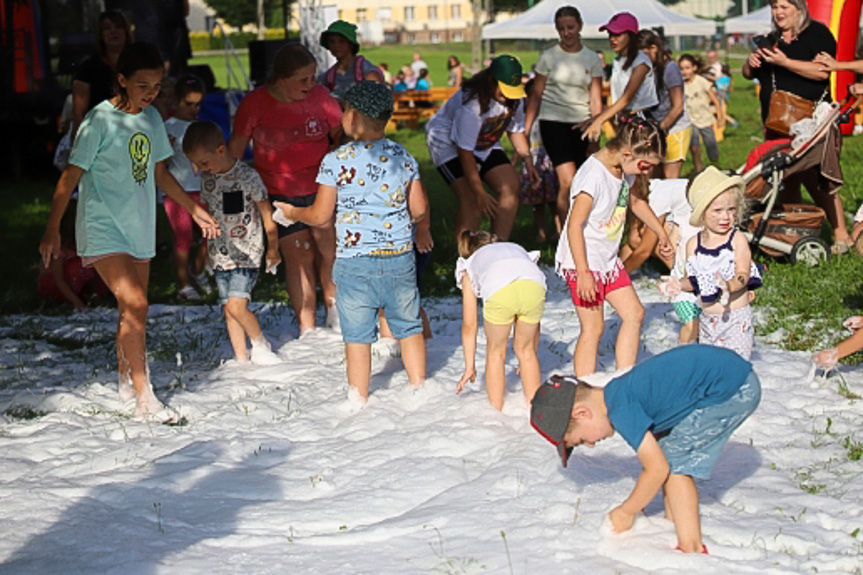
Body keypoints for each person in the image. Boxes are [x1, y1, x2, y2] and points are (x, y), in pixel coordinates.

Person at [39, 42, 220, 421]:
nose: (151, 93)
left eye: (156, 86)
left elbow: (158, 174)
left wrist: (193, 208)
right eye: (143, 85)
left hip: (139, 226)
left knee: (131, 308)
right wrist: (53, 229)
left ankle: (126, 380)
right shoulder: (98, 122)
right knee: (137, 303)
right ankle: (145, 398)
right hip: (103, 227)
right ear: (121, 81)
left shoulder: (152, 117)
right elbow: (69, 177)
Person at [275, 81, 430, 402]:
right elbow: (418, 209)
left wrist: (293, 212)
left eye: (344, 109)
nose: (342, 115)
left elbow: (320, 216)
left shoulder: (336, 160)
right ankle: (420, 389)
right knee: (409, 327)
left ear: (354, 118)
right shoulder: (403, 157)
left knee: (358, 338)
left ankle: (358, 399)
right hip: (399, 256)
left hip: (355, 263)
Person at [530, 345, 761, 554]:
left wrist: (626, 511)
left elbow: (657, 469)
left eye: (580, 440)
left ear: (582, 413)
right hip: (732, 376)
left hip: (731, 388)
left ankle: (691, 549)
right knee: (667, 450)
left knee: (674, 465)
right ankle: (673, 523)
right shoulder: (618, 393)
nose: (589, 444)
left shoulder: (621, 410)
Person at [229, 43, 342, 337]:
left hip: (321, 188)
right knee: (299, 256)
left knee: (329, 251)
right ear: (281, 80)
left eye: (313, 77)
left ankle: (335, 312)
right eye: (303, 80)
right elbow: (235, 153)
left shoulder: (321, 98)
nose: (311, 85)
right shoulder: (254, 104)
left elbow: (341, 136)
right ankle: (307, 326)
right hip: (279, 192)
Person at [555, 114, 671, 376]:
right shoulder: (592, 177)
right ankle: (585, 388)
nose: (647, 171)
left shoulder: (622, 169)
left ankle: (624, 378)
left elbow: (637, 202)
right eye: (644, 165)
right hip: (583, 261)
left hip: (607, 261)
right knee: (593, 329)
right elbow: (574, 226)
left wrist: (660, 233)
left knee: (634, 313)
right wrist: (583, 272)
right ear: (627, 153)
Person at [743, 0, 851, 253]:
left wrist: (785, 62)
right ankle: (796, 231)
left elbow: (823, 72)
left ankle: (841, 233)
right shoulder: (773, 39)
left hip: (811, 122)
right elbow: (751, 74)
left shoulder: (817, 34)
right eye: (774, 7)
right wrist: (751, 63)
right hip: (776, 123)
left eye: (784, 6)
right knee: (785, 178)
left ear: (799, 8)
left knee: (818, 177)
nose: (778, 12)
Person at [183, 121, 281, 365]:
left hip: (246, 252)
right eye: (196, 165)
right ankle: (241, 359)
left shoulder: (247, 176)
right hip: (219, 254)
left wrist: (273, 246)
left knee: (238, 306)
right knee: (229, 309)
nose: (201, 169)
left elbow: (266, 211)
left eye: (204, 163)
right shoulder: (208, 180)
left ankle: (260, 344)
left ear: (220, 150)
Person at [426, 55, 538, 242]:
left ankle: (498, 247)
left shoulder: (515, 99)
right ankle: (465, 262)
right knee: (471, 200)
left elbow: (516, 131)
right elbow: (465, 152)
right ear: (490, 81)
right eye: (504, 92)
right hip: (448, 143)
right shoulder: (472, 106)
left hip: (485, 141)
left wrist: (527, 159)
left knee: (510, 187)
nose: (507, 98)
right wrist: (480, 192)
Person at [660, 167, 762, 360]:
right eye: (718, 211)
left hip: (735, 318)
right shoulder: (694, 244)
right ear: (702, 213)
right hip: (708, 320)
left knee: (734, 366)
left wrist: (729, 285)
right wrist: (678, 284)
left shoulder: (736, 239)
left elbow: (743, 273)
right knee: (711, 366)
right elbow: (695, 280)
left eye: (731, 210)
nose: (726, 217)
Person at [524, 5, 603, 235]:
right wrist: (526, 131)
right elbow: (535, 96)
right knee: (567, 182)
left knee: (586, 183)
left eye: (570, 27)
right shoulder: (548, 57)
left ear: (579, 25)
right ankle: (566, 237)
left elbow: (596, 99)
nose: (567, 33)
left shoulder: (591, 59)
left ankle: (587, 232)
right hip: (553, 122)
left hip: (583, 124)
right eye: (561, 29)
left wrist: (595, 132)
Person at [454, 230, 545, 410]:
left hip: (499, 289)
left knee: (496, 353)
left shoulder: (469, 264)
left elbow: (469, 325)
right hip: (535, 284)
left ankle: (496, 411)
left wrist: (469, 367)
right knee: (526, 352)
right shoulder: (515, 249)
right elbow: (536, 324)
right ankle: (535, 408)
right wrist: (531, 346)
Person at [164, 74, 210, 301]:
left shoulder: (202, 126)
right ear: (176, 101)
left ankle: (197, 270)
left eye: (198, 104)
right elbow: (160, 167)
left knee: (212, 233)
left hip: (202, 190)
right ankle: (183, 286)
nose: (194, 109)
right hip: (177, 193)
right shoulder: (168, 128)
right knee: (183, 239)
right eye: (188, 104)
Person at [584, 12, 658, 142]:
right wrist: (594, 120)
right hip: (625, 121)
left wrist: (600, 121)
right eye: (610, 34)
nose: (612, 39)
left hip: (642, 123)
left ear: (630, 35)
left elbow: (626, 99)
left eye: (617, 34)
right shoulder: (618, 60)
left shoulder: (641, 61)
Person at [71, 10, 133, 141]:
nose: (113, 31)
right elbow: (79, 113)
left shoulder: (140, 64)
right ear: (101, 35)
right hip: (101, 138)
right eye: (107, 28)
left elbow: (156, 103)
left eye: (118, 26)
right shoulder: (88, 68)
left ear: (126, 31)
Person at [638, 30, 690, 179]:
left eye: (642, 53)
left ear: (653, 48)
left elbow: (678, 106)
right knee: (653, 177)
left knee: (669, 179)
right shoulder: (647, 68)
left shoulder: (670, 68)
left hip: (674, 128)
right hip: (655, 128)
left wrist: (660, 130)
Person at [37, 202, 108, 309]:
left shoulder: (89, 243)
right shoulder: (59, 249)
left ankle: (91, 296)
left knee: (98, 262)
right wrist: (77, 303)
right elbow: (58, 280)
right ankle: (74, 300)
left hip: (81, 284)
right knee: (76, 266)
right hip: (59, 288)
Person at [318, 20, 384, 101]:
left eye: (341, 41)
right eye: (332, 41)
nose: (336, 45)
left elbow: (379, 101)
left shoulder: (366, 70)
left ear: (351, 44)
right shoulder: (327, 77)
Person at [679, 54, 723, 173]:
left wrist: (720, 117)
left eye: (687, 68)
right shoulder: (680, 85)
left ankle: (714, 157)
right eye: (682, 69)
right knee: (694, 148)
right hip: (691, 120)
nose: (685, 71)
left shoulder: (701, 81)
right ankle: (699, 169)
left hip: (705, 119)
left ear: (694, 67)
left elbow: (715, 100)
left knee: (711, 148)